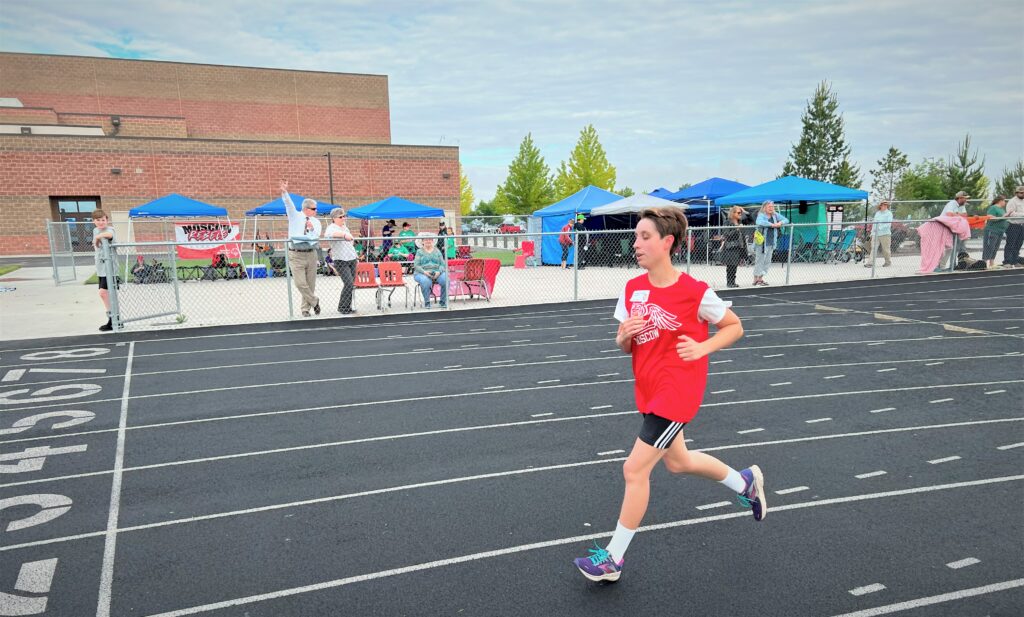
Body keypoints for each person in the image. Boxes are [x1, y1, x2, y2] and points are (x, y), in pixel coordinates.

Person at [572, 207, 764, 583]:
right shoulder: (632, 288)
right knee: (679, 462)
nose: (636, 244)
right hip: (647, 388)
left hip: (676, 392)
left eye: (645, 237)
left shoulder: (695, 292)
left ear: (668, 242)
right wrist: (623, 336)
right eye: (636, 236)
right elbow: (626, 346)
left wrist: (703, 349)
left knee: (634, 469)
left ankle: (613, 559)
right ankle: (745, 483)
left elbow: (734, 326)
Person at [279, 180, 321, 317]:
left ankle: (305, 309)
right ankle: (315, 301)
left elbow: (316, 236)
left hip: (311, 253)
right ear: (306, 209)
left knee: (310, 283)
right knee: (300, 283)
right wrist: (285, 192)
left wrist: (311, 233)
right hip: (296, 254)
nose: (316, 211)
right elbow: (289, 205)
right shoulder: (295, 216)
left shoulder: (316, 222)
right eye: (314, 209)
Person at [324, 207, 358, 314]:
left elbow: (350, 241)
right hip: (341, 260)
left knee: (351, 284)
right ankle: (342, 307)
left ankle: (347, 307)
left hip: (351, 259)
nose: (343, 218)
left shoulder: (345, 227)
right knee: (348, 283)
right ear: (334, 218)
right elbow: (330, 235)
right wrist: (344, 235)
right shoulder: (332, 227)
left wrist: (355, 256)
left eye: (344, 216)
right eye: (341, 217)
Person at [752, 200, 788, 286]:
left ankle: (761, 278)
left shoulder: (775, 215)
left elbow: (786, 220)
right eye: (769, 207)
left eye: (772, 207)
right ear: (764, 207)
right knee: (759, 261)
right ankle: (756, 279)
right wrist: (772, 225)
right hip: (762, 243)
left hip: (771, 242)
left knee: (767, 262)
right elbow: (759, 222)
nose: (771, 208)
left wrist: (780, 223)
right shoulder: (761, 215)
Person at [91, 209, 115, 332]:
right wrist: (97, 236)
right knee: (106, 294)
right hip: (101, 269)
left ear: (107, 220)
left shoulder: (109, 230)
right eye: (98, 220)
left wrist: (97, 238)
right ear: (94, 221)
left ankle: (113, 319)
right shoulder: (95, 230)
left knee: (103, 293)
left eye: (103, 220)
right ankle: (114, 319)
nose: (101, 222)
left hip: (110, 269)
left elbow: (109, 235)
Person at [936, 191, 970, 271]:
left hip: (953, 228)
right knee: (944, 247)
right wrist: (958, 215)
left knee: (951, 247)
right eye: (965, 198)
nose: (966, 200)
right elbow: (949, 215)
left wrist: (957, 214)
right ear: (960, 198)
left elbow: (965, 215)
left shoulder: (962, 205)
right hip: (943, 227)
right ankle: (938, 266)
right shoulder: (952, 203)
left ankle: (948, 266)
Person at [413, 233, 448, 308]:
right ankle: (427, 302)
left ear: (433, 241)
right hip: (421, 273)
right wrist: (424, 272)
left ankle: (443, 302)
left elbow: (442, 264)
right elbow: (416, 265)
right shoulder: (419, 252)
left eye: (430, 239)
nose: (428, 241)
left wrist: (439, 272)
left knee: (445, 279)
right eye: (426, 240)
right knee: (426, 281)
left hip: (437, 272)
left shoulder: (437, 251)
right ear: (422, 242)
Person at [718, 206, 748, 287]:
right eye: (738, 212)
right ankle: (729, 283)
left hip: (739, 247)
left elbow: (750, 219)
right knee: (730, 266)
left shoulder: (740, 221)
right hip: (730, 247)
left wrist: (743, 210)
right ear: (733, 213)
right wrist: (736, 229)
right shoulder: (727, 222)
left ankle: (733, 282)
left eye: (740, 213)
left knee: (735, 266)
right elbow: (727, 235)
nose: (740, 214)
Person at [864, 200, 894, 268]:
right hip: (875, 234)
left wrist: (879, 227)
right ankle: (870, 263)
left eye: (886, 205)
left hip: (885, 234)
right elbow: (874, 223)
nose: (884, 206)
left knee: (886, 249)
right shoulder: (877, 213)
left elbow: (888, 224)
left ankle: (887, 262)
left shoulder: (889, 213)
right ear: (880, 206)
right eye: (883, 204)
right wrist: (872, 233)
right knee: (873, 248)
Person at [982, 196, 1009, 268]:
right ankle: (984, 263)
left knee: (995, 247)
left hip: (1000, 231)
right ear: (1000, 201)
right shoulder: (993, 208)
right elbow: (990, 218)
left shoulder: (1002, 209)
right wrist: (1004, 216)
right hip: (992, 230)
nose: (1005, 202)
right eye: (1004, 201)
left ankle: (991, 263)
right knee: (989, 246)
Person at [1003, 186, 1024, 267]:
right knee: (1010, 244)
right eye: (1021, 192)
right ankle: (1007, 262)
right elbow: (1011, 213)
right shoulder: (1012, 201)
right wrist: (1023, 214)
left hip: (1022, 225)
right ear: (1016, 193)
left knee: (1018, 244)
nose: (1022, 194)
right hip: (1013, 225)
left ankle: (1014, 261)